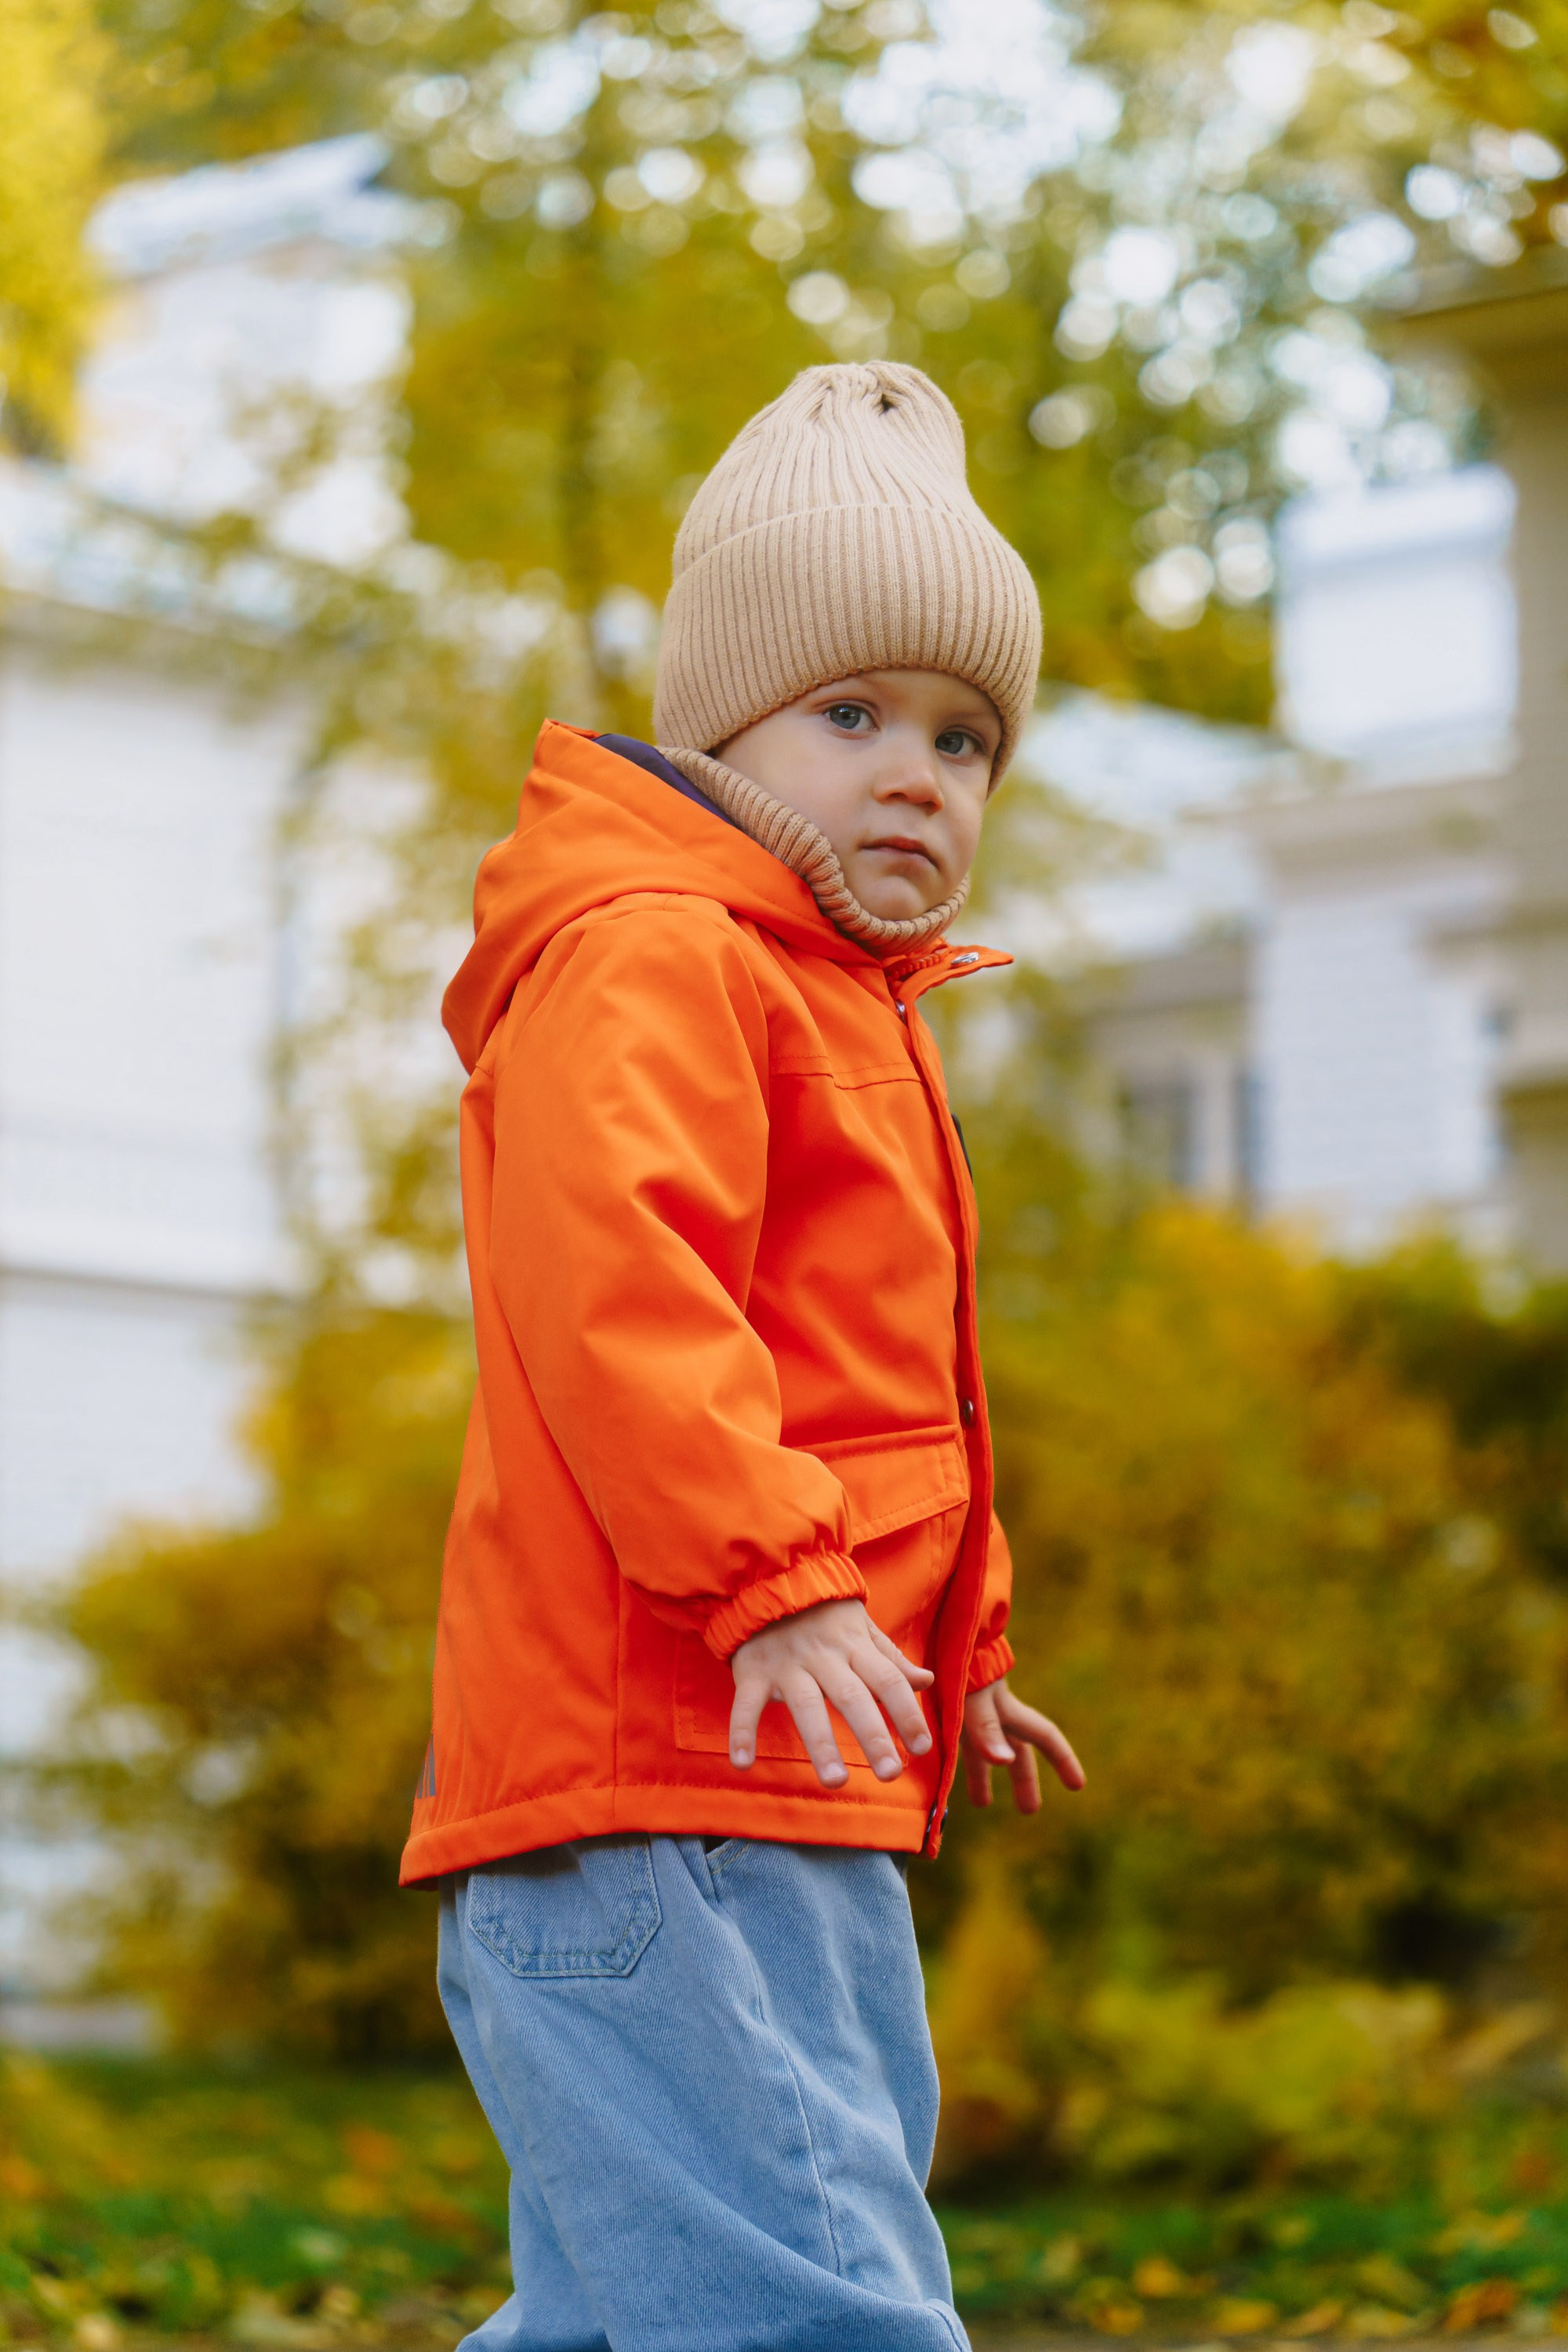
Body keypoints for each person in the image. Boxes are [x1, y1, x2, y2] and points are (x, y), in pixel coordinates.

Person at [401, 361, 1084, 2352]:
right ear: (720, 735)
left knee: (638, 2316)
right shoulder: (660, 954)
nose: (916, 775)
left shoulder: (831, 998)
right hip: (672, 1778)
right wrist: (776, 1583)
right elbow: (623, 1295)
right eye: (850, 713)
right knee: (821, 2303)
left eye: (966, 739)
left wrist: (956, 1647)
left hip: (764, 1764)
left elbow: (864, 1382)